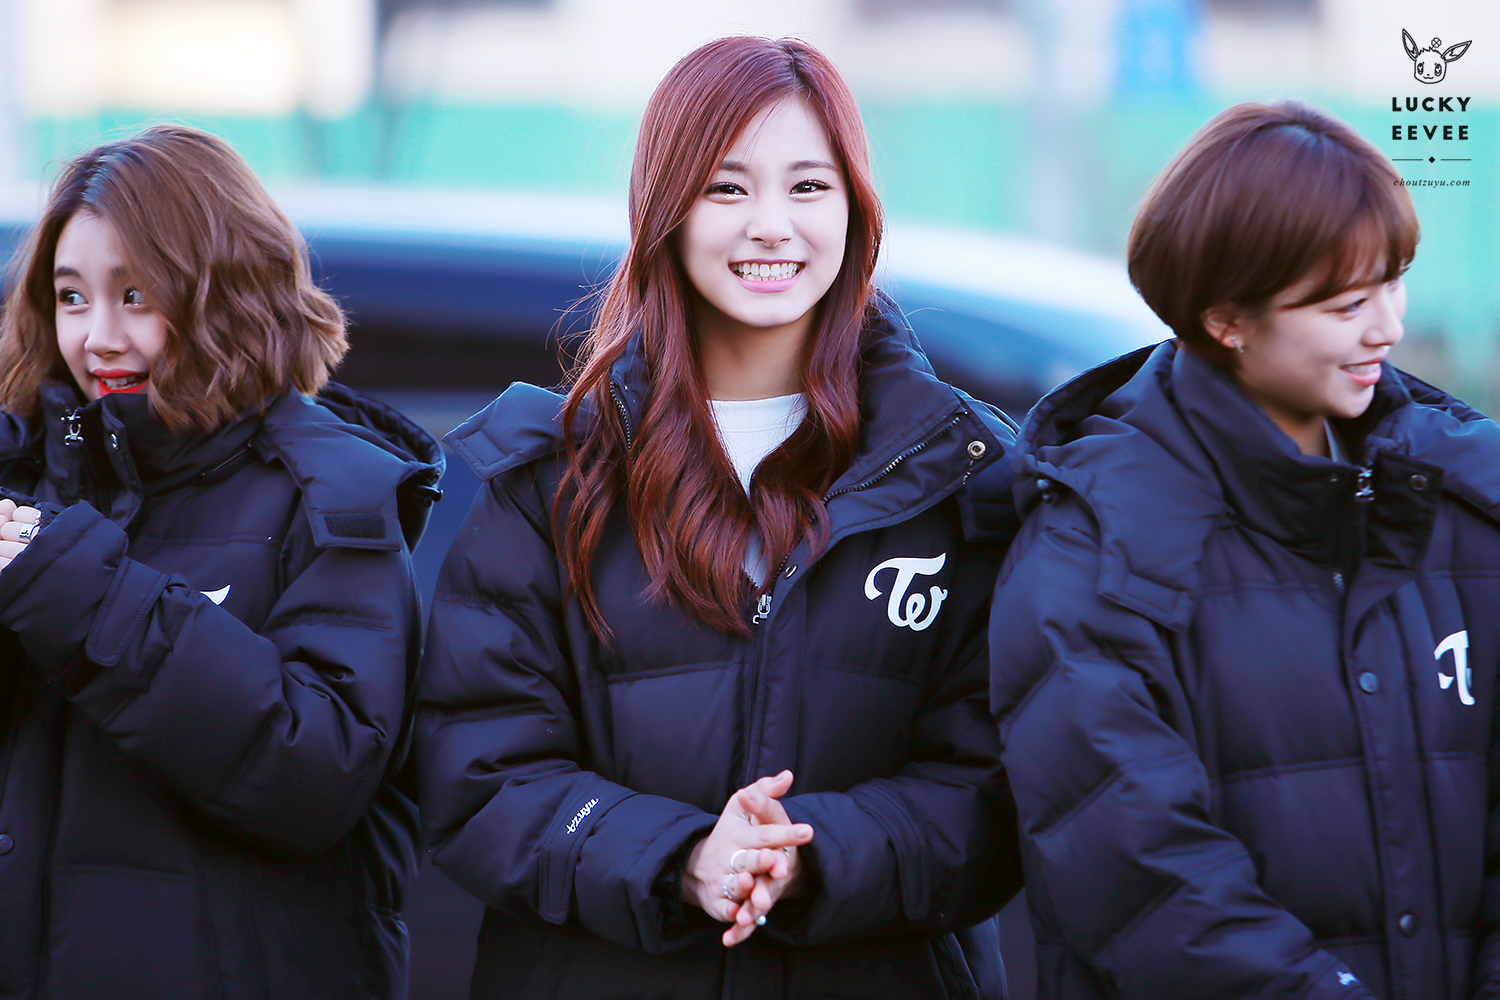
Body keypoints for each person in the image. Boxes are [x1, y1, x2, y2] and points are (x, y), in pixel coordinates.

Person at [417, 35, 1022, 1000]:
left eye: (809, 187)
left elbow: (997, 786)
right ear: (666, 212)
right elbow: (479, 774)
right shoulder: (551, 478)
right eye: (727, 188)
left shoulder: (959, 473)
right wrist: (683, 859)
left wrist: (810, 857)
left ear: (856, 209)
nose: (771, 226)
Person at [990, 100, 1500, 999]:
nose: (1387, 327)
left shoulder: (1461, 497)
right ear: (1227, 319)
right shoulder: (1096, 551)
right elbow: (1145, 881)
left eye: (1394, 283)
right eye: (1346, 303)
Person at [0, 125, 443, 999]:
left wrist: (79, 593)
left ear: (225, 293)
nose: (99, 337)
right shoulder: (26, 477)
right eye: (72, 296)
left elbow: (319, 771)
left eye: (136, 294)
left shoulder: (333, 492)